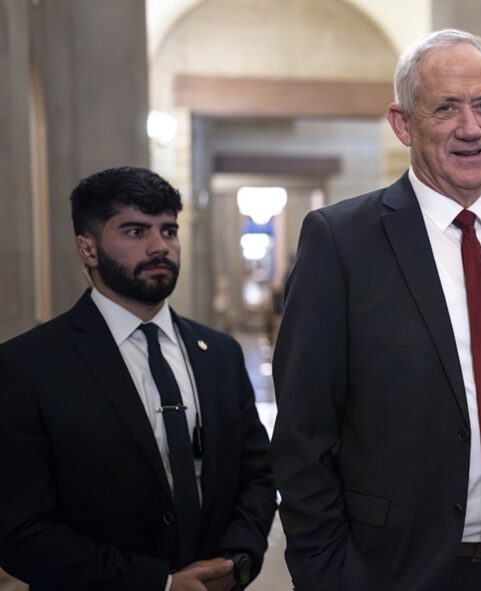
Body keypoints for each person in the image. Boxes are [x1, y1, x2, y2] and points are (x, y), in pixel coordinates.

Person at [270, 29, 481, 591]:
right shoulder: (341, 241)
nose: (469, 128)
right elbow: (304, 433)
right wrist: (330, 575)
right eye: (446, 107)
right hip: (402, 571)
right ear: (402, 124)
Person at [0, 167, 277, 590]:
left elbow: (257, 474)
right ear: (87, 249)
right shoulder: (29, 365)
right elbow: (20, 529)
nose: (159, 247)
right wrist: (160, 585)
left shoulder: (218, 353)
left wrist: (234, 561)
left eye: (169, 231)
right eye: (135, 232)